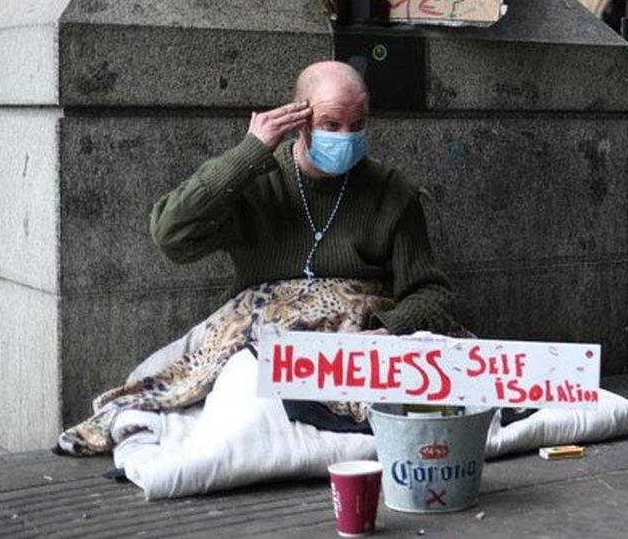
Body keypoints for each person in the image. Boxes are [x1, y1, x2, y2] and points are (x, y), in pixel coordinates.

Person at [56, 61, 462, 455]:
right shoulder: (258, 180)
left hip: (354, 335)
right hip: (259, 334)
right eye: (331, 125)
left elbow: (430, 291)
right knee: (198, 395)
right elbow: (171, 234)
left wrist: (389, 331)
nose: (346, 137)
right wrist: (248, 154)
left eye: (358, 125)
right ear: (301, 121)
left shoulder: (392, 192)